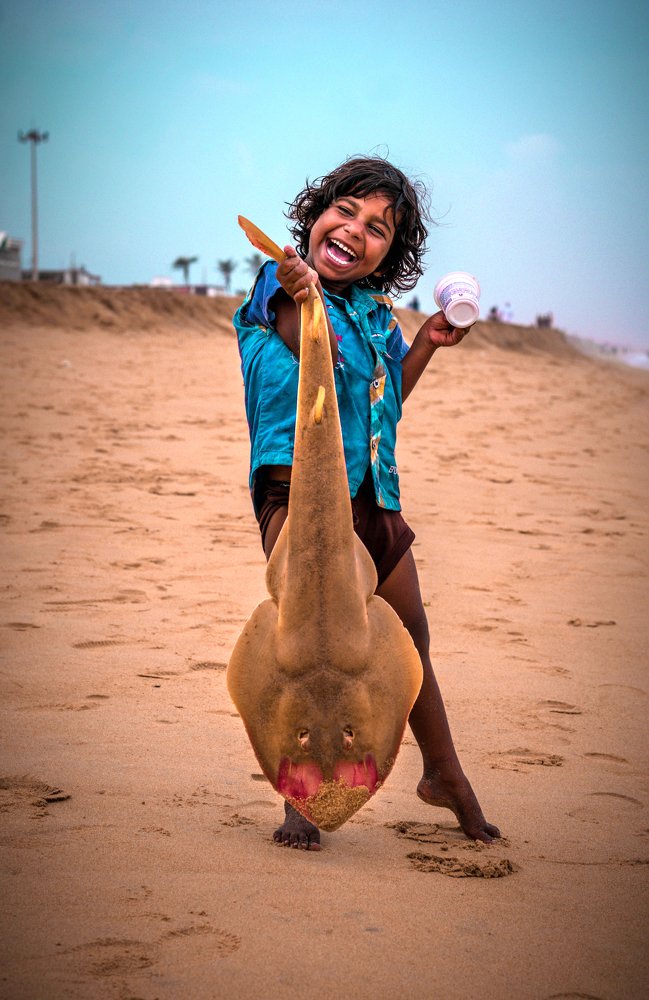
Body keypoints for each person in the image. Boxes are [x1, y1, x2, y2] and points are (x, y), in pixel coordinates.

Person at [234, 155, 500, 851]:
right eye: (345, 211)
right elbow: (314, 358)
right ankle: (302, 796)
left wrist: (424, 344)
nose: (355, 230)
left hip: (373, 496)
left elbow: (382, 403)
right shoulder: (279, 285)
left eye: (378, 228)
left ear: (390, 253)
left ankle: (443, 773)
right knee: (312, 642)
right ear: (316, 216)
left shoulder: (379, 316)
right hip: (301, 493)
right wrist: (305, 293)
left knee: (409, 639)